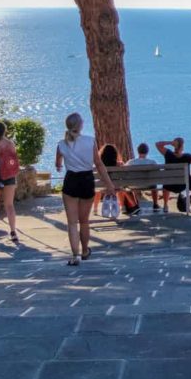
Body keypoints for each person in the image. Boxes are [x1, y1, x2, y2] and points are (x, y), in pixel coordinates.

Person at [56, 113, 115, 265]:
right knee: (84, 221)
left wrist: (60, 164)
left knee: (72, 222)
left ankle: (75, 255)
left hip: (71, 180)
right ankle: (84, 251)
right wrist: (109, 184)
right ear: (80, 125)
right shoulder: (90, 141)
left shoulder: (61, 144)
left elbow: (58, 164)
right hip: (87, 180)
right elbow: (99, 164)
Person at [155, 137, 191, 214]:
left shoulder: (168, 154)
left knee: (166, 182)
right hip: (184, 185)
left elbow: (157, 144)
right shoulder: (187, 156)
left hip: (170, 184)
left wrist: (170, 143)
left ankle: (165, 205)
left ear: (174, 146)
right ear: (182, 146)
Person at [125, 142, 157, 213]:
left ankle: (135, 205)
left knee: (125, 187)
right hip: (149, 185)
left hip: (134, 185)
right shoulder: (152, 162)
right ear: (147, 152)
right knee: (154, 184)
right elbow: (157, 174)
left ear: (138, 151)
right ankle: (155, 204)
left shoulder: (130, 162)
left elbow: (124, 172)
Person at [99, 144, 128, 218]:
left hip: (102, 186)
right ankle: (115, 202)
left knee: (107, 186)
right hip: (116, 186)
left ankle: (107, 202)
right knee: (117, 185)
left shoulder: (99, 165)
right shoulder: (119, 164)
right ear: (115, 154)